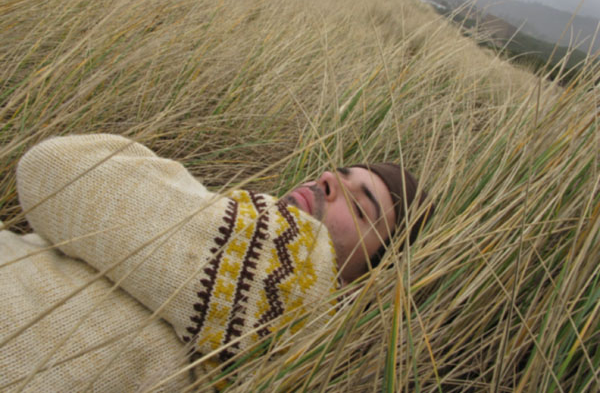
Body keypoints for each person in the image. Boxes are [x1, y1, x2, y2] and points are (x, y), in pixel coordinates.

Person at [0, 134, 433, 391]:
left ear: (372, 274)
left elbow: (52, 167)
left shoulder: (300, 343)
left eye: (361, 207)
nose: (328, 180)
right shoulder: (227, 211)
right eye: (338, 172)